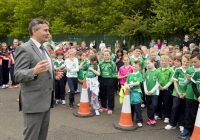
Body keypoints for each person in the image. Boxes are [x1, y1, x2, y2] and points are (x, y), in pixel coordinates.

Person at [14, 18, 63, 140]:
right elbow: (17, 75)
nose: (48, 33)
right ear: (34, 31)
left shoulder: (44, 48)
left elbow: (44, 70)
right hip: (33, 103)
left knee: (42, 136)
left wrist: (53, 74)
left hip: (46, 101)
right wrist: (34, 71)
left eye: (48, 30)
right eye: (45, 30)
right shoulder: (24, 48)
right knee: (31, 137)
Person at [165, 54, 190, 132]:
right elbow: (175, 82)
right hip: (177, 93)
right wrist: (179, 93)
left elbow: (191, 84)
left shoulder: (191, 70)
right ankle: (172, 124)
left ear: (190, 62)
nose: (185, 63)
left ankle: (182, 124)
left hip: (187, 94)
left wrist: (185, 93)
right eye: (184, 61)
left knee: (185, 109)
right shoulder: (178, 70)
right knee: (175, 108)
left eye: (187, 62)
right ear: (181, 61)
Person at [178, 53, 200, 138]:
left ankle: (195, 129)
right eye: (192, 62)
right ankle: (187, 129)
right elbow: (186, 83)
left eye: (195, 62)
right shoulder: (190, 69)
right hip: (190, 94)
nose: (193, 64)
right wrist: (187, 79)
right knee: (188, 113)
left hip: (197, 96)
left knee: (194, 114)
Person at [155, 55, 173, 124]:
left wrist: (164, 87)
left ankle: (167, 116)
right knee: (158, 102)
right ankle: (158, 114)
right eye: (162, 61)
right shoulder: (158, 70)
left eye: (165, 61)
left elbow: (171, 80)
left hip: (166, 89)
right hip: (159, 88)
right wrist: (159, 86)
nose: (164, 62)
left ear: (168, 62)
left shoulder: (170, 70)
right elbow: (156, 79)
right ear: (160, 61)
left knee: (166, 103)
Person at [143, 58, 162, 125]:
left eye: (149, 63)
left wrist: (151, 91)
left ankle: (151, 117)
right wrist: (146, 90)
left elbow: (158, 83)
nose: (147, 65)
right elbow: (144, 81)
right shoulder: (147, 72)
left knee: (154, 105)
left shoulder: (158, 72)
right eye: (147, 64)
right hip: (147, 92)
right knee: (148, 106)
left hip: (154, 93)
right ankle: (150, 118)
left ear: (153, 62)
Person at [125, 60, 143, 127]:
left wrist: (129, 84)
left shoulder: (139, 74)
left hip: (136, 93)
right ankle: (131, 118)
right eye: (133, 66)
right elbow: (126, 82)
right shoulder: (130, 75)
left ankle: (139, 120)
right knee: (130, 107)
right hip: (130, 93)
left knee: (137, 107)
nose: (134, 68)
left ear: (139, 67)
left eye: (136, 67)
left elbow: (138, 83)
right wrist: (126, 85)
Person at [99, 49, 117, 114]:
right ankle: (103, 106)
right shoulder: (101, 63)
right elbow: (99, 71)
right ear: (103, 56)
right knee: (102, 93)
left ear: (110, 55)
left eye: (107, 55)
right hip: (102, 79)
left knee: (110, 94)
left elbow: (115, 73)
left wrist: (112, 78)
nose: (106, 56)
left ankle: (110, 107)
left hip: (110, 80)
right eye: (105, 55)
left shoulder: (113, 64)